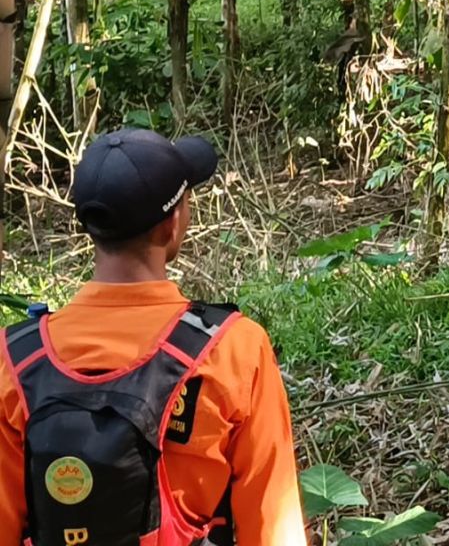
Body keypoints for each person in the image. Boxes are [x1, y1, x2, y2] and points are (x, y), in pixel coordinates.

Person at [0, 129, 308, 546]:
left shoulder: (13, 360)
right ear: (173, 222)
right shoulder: (236, 349)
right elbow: (273, 528)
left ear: (92, 229)